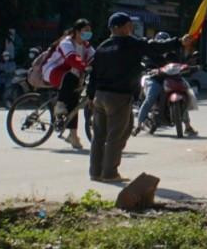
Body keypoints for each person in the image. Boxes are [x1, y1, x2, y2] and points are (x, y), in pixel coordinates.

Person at [88, 13, 194, 182]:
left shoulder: (102, 47)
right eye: (129, 25)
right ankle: (109, 173)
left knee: (99, 135)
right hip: (119, 96)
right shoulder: (131, 44)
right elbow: (155, 47)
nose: (131, 28)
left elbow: (93, 74)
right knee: (117, 135)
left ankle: (95, 172)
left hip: (100, 96)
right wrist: (179, 41)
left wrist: (89, 96)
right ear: (120, 28)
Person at [43, 19, 96, 150]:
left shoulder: (86, 46)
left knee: (74, 105)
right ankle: (59, 105)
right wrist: (85, 67)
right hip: (54, 71)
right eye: (86, 31)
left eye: (90, 31)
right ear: (77, 31)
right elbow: (72, 59)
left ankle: (73, 136)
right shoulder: (66, 42)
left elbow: (95, 58)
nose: (88, 33)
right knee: (70, 76)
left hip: (73, 75)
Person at [134, 32, 197, 136]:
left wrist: (188, 66)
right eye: (160, 42)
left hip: (171, 78)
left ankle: (188, 126)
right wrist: (150, 70)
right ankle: (139, 124)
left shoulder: (173, 54)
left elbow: (179, 64)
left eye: (164, 42)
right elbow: (146, 64)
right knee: (151, 97)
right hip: (155, 78)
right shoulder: (151, 51)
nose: (162, 45)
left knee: (185, 91)